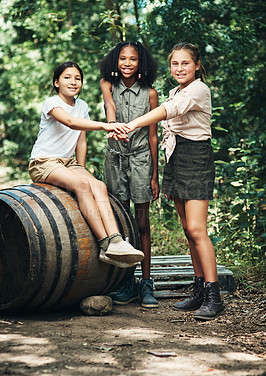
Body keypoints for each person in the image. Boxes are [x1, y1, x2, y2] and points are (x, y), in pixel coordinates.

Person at [125, 43, 224, 320]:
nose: (179, 69)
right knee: (186, 228)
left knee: (196, 229)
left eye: (185, 64)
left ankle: (214, 297)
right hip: (177, 156)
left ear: (196, 66)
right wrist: (168, 169)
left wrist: (133, 124)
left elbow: (169, 111)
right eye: (175, 64)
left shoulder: (198, 90)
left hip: (196, 157)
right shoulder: (175, 90)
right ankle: (200, 290)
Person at [28, 61, 144, 269]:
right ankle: (104, 244)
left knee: (98, 186)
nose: (73, 82)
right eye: (67, 77)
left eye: (77, 78)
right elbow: (71, 123)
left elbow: (80, 140)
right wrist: (106, 125)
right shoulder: (51, 103)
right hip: (43, 161)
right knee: (81, 186)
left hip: (68, 162)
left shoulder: (82, 106)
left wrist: (80, 168)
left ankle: (116, 241)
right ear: (56, 82)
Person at [99, 42, 160, 308]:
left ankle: (146, 283)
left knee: (142, 222)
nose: (127, 63)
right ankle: (126, 282)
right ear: (116, 61)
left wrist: (155, 175)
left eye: (132, 59)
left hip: (141, 160)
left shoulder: (151, 94)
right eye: (122, 58)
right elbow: (110, 106)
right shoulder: (106, 84)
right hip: (115, 159)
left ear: (141, 63)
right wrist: (112, 126)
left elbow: (153, 137)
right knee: (122, 224)